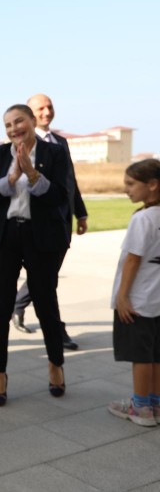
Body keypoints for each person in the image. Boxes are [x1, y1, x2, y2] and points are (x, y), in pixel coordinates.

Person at [0, 104, 69, 407]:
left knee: (46, 304)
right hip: (6, 236)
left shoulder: (55, 153)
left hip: (40, 237)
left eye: (19, 121)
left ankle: (55, 364)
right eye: (8, 125)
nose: (13, 128)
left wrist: (31, 174)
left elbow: (60, 196)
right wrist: (11, 177)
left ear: (32, 121)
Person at [11, 94, 87, 352]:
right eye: (40, 108)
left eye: (49, 106)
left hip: (61, 221)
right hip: (36, 223)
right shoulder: (20, 142)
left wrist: (80, 212)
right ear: (29, 116)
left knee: (47, 275)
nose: (47, 112)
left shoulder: (60, 142)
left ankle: (18, 305)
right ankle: (56, 331)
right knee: (47, 279)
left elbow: (69, 180)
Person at [107, 159, 160, 427]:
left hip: (138, 301)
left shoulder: (143, 219)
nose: (126, 189)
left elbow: (133, 259)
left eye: (131, 184)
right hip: (156, 300)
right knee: (156, 355)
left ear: (152, 185)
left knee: (140, 356)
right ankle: (155, 403)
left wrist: (122, 296)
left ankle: (141, 408)